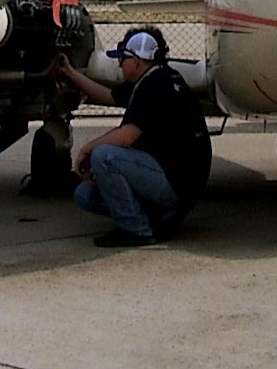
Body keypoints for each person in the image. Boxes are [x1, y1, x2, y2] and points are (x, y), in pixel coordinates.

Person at [58, 27, 211, 247]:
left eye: (125, 58)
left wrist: (86, 149)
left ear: (138, 61)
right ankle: (159, 217)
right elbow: (107, 95)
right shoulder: (155, 77)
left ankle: (137, 230)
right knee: (85, 195)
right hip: (177, 179)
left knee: (104, 156)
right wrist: (71, 73)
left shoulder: (155, 86)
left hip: (175, 183)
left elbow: (126, 137)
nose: (120, 63)